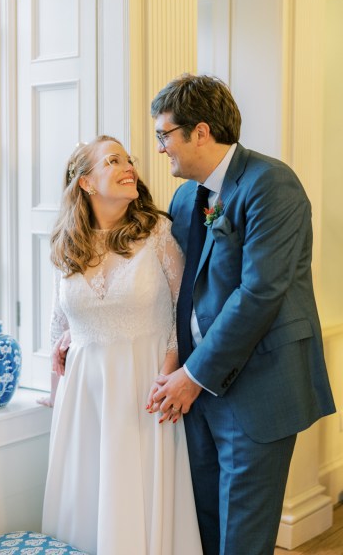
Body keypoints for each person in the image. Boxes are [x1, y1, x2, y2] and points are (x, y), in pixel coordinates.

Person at [148, 74, 336, 555]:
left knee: (243, 540)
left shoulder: (272, 183)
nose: (161, 147)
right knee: (205, 525)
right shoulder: (187, 197)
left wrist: (194, 374)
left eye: (164, 135)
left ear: (202, 132)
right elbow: (172, 283)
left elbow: (259, 293)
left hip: (259, 387)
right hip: (197, 391)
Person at [41, 135, 203, 555]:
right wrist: (57, 397)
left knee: (139, 500)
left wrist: (168, 373)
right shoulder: (66, 243)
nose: (129, 166)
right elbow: (61, 322)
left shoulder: (158, 233)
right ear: (86, 183)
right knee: (89, 500)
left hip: (146, 391)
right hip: (85, 402)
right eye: (113, 160)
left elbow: (182, 312)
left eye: (128, 159)